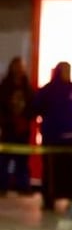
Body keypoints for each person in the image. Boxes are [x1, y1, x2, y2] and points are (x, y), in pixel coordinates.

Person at [29, 61, 72, 211]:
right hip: (52, 136)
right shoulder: (48, 90)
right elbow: (36, 108)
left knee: (68, 169)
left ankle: (69, 196)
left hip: (70, 137)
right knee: (50, 169)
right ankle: (49, 198)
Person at [0, 56, 34, 195]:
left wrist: (25, 119)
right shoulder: (5, 86)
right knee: (4, 159)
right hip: (9, 128)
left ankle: (23, 186)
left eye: (21, 67)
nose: (19, 70)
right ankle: (2, 186)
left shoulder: (27, 87)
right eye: (17, 66)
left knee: (22, 160)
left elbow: (32, 105)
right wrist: (7, 120)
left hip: (23, 129)